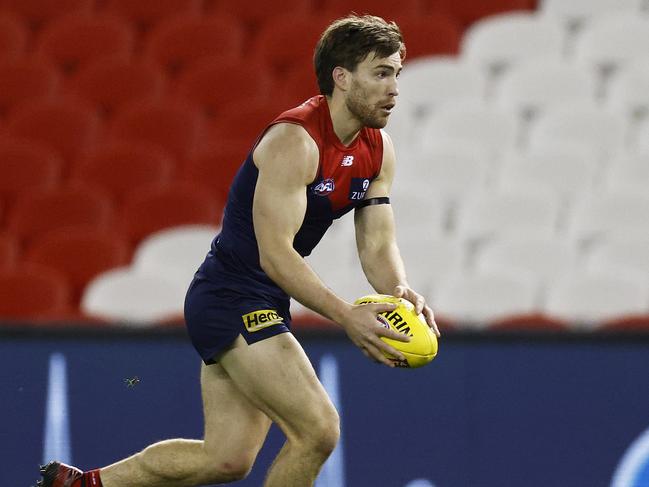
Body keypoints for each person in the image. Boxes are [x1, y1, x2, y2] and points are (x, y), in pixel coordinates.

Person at [36, 13, 439, 487]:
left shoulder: (378, 148)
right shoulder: (296, 142)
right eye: (381, 73)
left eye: (397, 73)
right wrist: (346, 315)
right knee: (318, 431)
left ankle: (82, 484)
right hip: (231, 296)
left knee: (226, 458)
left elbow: (377, 240)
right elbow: (275, 256)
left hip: (259, 299)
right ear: (341, 77)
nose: (394, 88)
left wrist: (399, 290)